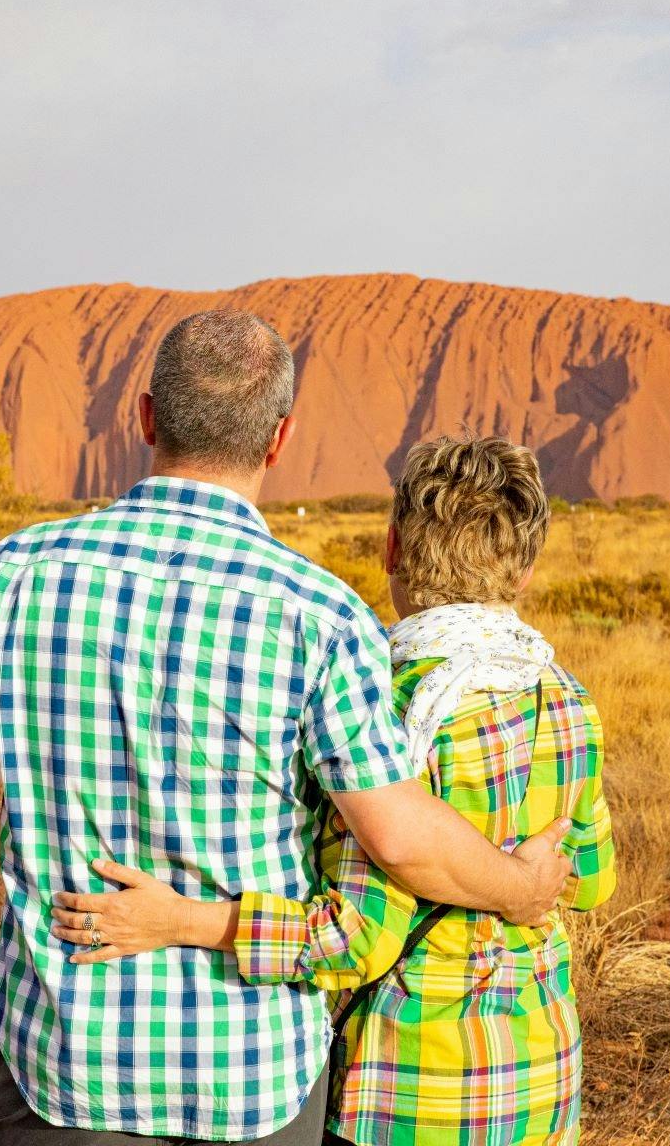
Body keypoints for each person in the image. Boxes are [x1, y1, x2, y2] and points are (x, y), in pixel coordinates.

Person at [0, 312, 575, 1145]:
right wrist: (520, 888)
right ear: (279, 437)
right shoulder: (322, 612)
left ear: (147, 418)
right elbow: (399, 840)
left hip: (60, 1063)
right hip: (248, 1077)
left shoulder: (18, 572)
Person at [51, 436, 615, 1146]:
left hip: (412, 1093)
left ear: (390, 549)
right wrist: (518, 881)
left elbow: (353, 943)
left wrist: (182, 922)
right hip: (539, 1079)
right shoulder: (566, 697)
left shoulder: (385, 705)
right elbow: (589, 883)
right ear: (525, 573)